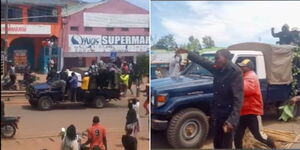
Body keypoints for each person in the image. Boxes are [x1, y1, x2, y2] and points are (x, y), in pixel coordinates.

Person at [187, 49, 244, 149]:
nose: (215, 61)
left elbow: (238, 99)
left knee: (226, 144)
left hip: (228, 115)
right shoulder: (217, 68)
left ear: (226, 58)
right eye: (214, 58)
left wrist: (232, 120)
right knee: (217, 142)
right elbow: (203, 61)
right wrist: (188, 53)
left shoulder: (235, 72)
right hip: (217, 112)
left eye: (217, 58)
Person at [234, 59, 276, 149]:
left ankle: (273, 146)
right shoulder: (244, 75)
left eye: (243, 66)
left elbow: (246, 90)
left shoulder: (251, 76)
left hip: (252, 112)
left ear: (249, 67)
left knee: (258, 136)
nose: (240, 67)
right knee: (237, 135)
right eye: (240, 65)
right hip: (242, 112)